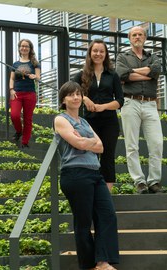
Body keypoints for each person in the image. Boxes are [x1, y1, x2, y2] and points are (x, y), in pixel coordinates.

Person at [54, 81, 119, 270]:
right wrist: (86, 142)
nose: (75, 97)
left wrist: (84, 141)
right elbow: (81, 144)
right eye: (71, 94)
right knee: (83, 222)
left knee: (107, 215)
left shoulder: (84, 122)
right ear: (63, 100)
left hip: (94, 173)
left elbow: (101, 147)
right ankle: (88, 265)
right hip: (75, 174)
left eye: (78, 94)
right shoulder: (60, 119)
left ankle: (103, 262)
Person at [116, 26, 164, 194]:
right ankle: (139, 181)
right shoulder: (123, 56)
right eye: (134, 35)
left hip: (151, 104)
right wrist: (147, 74)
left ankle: (154, 181)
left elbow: (157, 71)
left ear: (145, 38)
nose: (137, 37)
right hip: (130, 102)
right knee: (132, 145)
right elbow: (121, 75)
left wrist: (133, 74)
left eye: (140, 34)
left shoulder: (153, 57)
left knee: (157, 143)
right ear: (129, 38)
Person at [73, 39, 124, 192]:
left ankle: (106, 192)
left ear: (106, 54)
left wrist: (103, 107)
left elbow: (120, 101)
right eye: (95, 51)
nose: (98, 54)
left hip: (110, 122)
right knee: (90, 155)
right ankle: (91, 189)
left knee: (107, 156)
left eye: (102, 51)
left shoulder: (113, 75)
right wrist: (85, 98)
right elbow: (70, 92)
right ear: (90, 53)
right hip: (89, 122)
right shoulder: (81, 75)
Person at [9, 39, 40, 148]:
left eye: (26, 46)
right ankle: (19, 131)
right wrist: (11, 90)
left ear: (30, 49)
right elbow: (12, 79)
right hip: (17, 93)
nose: (24, 48)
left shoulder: (35, 63)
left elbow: (38, 77)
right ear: (19, 48)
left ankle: (25, 142)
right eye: (22, 46)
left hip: (30, 94)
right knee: (14, 115)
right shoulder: (15, 64)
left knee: (28, 119)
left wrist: (34, 77)